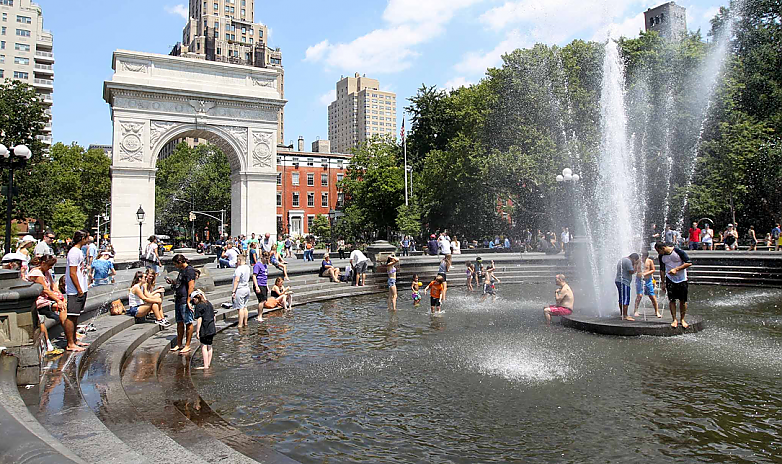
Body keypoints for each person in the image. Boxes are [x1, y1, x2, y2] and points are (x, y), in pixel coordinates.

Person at [27, 255, 66, 356]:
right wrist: (58, 300)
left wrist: (61, 298)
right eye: (49, 265)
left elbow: (53, 287)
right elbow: (45, 289)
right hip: (37, 302)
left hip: (45, 299)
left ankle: (70, 334)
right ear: (43, 263)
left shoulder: (46, 272)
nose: (50, 268)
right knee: (61, 307)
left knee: (64, 305)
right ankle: (65, 337)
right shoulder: (36, 273)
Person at [655, 242, 693, 328]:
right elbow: (662, 270)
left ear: (663, 248)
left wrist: (676, 269)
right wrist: (663, 283)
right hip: (670, 279)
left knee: (683, 301)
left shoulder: (678, 251)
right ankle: (674, 319)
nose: (658, 253)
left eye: (658, 251)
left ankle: (682, 319)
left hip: (682, 279)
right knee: (672, 300)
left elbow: (689, 262)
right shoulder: (661, 256)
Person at [64, 230, 90, 352]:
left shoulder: (78, 251)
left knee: (76, 316)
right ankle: (70, 343)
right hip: (74, 291)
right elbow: (73, 273)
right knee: (71, 316)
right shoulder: (74, 252)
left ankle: (74, 340)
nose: (89, 239)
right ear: (82, 238)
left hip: (81, 288)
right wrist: (79, 288)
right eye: (88, 237)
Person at [166, 254, 196, 354]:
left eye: (175, 264)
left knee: (188, 322)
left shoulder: (189, 270)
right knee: (179, 322)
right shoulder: (182, 270)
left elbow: (191, 286)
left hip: (184, 299)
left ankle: (187, 345)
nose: (175, 266)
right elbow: (181, 283)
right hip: (178, 298)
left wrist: (188, 300)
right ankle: (179, 343)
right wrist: (173, 282)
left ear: (180, 262)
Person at [191, 290, 216, 370]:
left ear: (195, 299)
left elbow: (199, 319)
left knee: (203, 346)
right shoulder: (208, 303)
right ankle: (208, 363)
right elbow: (214, 316)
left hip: (204, 328)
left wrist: (197, 331)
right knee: (210, 345)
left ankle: (205, 366)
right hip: (211, 327)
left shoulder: (199, 306)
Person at [633, 251, 660, 318]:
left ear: (646, 256)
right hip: (639, 280)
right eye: (641, 257)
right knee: (639, 295)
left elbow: (653, 270)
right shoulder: (638, 261)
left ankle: (656, 311)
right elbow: (634, 270)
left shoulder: (649, 261)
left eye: (644, 257)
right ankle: (635, 310)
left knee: (652, 296)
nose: (642, 258)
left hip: (648, 280)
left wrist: (645, 274)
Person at [615, 253, 641, 321]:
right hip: (624, 282)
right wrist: (636, 264)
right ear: (634, 259)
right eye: (635, 261)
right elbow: (632, 271)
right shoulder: (628, 261)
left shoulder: (622, 259)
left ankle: (622, 314)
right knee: (626, 298)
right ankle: (625, 315)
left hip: (618, 280)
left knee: (621, 298)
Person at [232, 254, 252, 328]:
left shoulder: (239, 269)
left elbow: (237, 280)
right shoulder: (247, 267)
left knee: (240, 308)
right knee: (245, 307)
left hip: (240, 289)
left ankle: (240, 325)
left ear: (239, 260)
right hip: (246, 288)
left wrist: (233, 291)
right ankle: (245, 323)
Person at [252, 251, 269, 322]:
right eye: (266, 258)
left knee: (264, 301)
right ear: (262, 257)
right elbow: (254, 276)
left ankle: (261, 315)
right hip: (259, 284)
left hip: (264, 284)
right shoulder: (258, 265)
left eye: (268, 258)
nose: (267, 260)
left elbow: (265, 276)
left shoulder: (265, 265)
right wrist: (256, 286)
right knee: (261, 301)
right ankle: (259, 316)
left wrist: (267, 285)